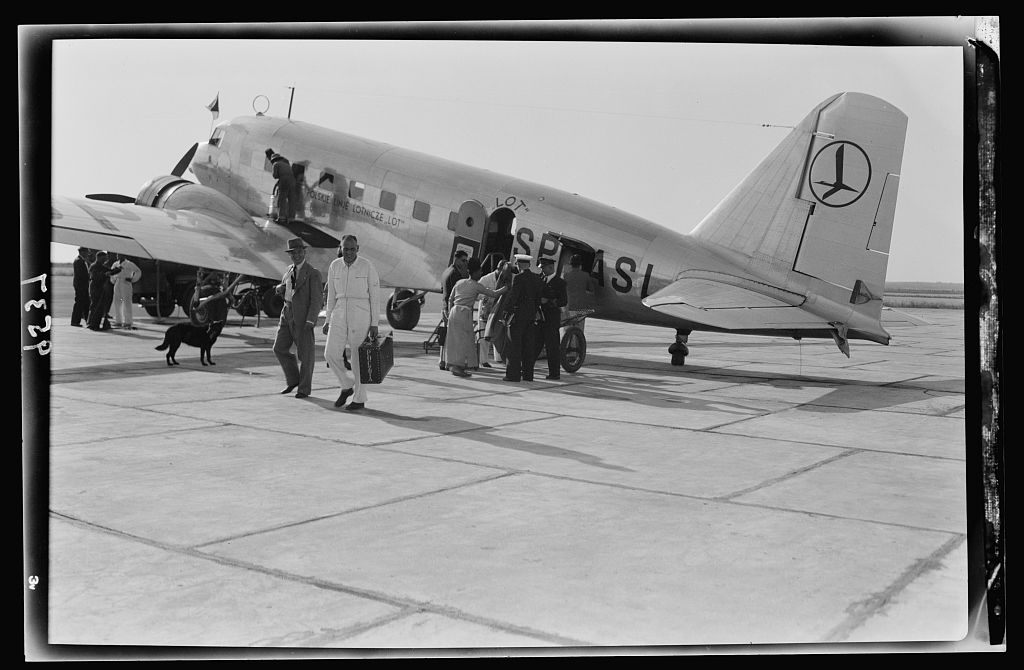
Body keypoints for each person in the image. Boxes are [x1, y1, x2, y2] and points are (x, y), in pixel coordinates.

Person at [323, 234, 381, 411]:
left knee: (357, 358)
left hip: (360, 312)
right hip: (339, 311)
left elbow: (375, 296)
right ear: (341, 248)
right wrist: (327, 319)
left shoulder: (366, 266)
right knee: (330, 354)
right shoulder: (334, 266)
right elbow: (331, 296)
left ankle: (359, 398)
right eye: (345, 249)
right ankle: (347, 384)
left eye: (352, 249)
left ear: (358, 249)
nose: (348, 252)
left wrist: (374, 323)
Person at [273, 238, 323, 398]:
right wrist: (280, 289)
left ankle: (304, 389)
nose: (296, 255)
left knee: (306, 355)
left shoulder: (313, 273)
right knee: (279, 348)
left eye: (299, 252)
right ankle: (293, 379)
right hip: (286, 313)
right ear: (290, 255)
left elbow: (317, 300)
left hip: (303, 317)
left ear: (304, 252)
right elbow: (288, 289)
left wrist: (311, 320)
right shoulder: (288, 270)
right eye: (293, 253)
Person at [447, 258, 508, 377]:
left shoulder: (459, 282)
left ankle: (454, 363)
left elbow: (451, 299)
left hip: (454, 311)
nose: (481, 274)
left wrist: (450, 312)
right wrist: (506, 288)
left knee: (454, 340)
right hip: (464, 313)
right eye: (479, 272)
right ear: (474, 272)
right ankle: (457, 366)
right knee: (463, 340)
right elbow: (494, 294)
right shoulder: (476, 286)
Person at [501, 254, 544, 382]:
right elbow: (538, 299)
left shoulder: (519, 278)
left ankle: (513, 375)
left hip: (518, 315)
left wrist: (506, 311)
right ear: (529, 265)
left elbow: (514, 296)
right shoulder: (536, 278)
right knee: (528, 346)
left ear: (518, 264)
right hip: (531, 315)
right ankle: (528, 375)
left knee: (514, 346)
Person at [476, 259, 512, 367]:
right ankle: (483, 360)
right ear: (498, 269)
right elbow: (477, 294)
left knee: (498, 331)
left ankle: (499, 357)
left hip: (498, 310)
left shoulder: (507, 279)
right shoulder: (486, 279)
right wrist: (488, 297)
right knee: (483, 334)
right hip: (485, 310)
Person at [536, 257, 568, 380]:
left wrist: (548, 301)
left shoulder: (560, 283)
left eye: (543, 268)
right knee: (535, 344)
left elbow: (563, 301)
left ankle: (554, 373)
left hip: (551, 319)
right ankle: (526, 369)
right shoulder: (540, 279)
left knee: (552, 347)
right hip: (540, 318)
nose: (542, 271)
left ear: (551, 267)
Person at [438, 250, 470, 370]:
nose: (465, 263)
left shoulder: (446, 271)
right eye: (463, 260)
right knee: (451, 337)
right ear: (456, 259)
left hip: (445, 307)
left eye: (466, 261)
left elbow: (443, 289)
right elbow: (456, 293)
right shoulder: (455, 274)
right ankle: (448, 362)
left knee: (445, 335)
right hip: (451, 308)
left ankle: (442, 360)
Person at [86, 251, 121, 331]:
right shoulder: (94, 266)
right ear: (98, 257)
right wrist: (105, 274)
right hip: (95, 288)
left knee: (99, 306)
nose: (105, 259)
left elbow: (111, 271)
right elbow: (95, 277)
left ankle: (94, 323)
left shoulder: (101, 266)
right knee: (95, 306)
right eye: (104, 258)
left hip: (100, 288)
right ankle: (92, 324)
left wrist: (118, 269)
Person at [563, 253, 597, 329]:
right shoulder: (585, 275)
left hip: (569, 306)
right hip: (581, 307)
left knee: (568, 330)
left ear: (571, 265)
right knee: (579, 330)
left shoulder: (566, 276)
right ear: (580, 265)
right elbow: (591, 290)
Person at [109, 253, 141, 330]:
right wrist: (113, 280)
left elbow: (138, 271)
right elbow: (111, 272)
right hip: (118, 282)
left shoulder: (129, 264)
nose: (118, 256)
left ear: (124, 256)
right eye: (117, 255)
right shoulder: (115, 264)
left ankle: (128, 321)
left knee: (127, 302)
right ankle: (118, 320)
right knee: (117, 302)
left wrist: (133, 279)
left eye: (119, 255)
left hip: (126, 282)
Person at [266, 148, 296, 223]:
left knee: (282, 199)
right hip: (293, 180)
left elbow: (275, 175)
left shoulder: (276, 164)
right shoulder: (286, 163)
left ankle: (281, 217)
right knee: (291, 199)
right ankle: (291, 218)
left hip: (284, 180)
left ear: (274, 160)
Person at [70, 247, 92, 327]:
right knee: (79, 303)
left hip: (82, 285)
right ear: (82, 252)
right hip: (81, 285)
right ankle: (75, 321)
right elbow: (82, 274)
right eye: (87, 252)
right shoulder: (79, 261)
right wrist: (90, 277)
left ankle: (88, 320)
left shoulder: (81, 260)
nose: (88, 254)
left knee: (86, 303)